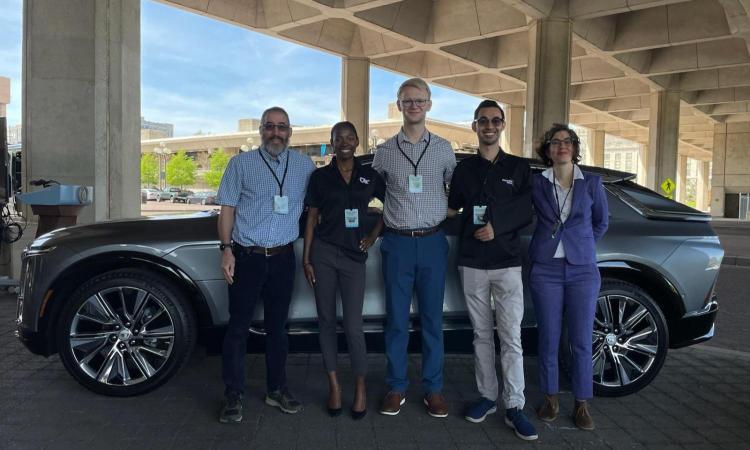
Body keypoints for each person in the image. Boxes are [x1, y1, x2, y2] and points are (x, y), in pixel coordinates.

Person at [216, 106, 316, 424]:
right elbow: (227, 209)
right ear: (261, 130)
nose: (276, 132)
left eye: (282, 127)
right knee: (237, 329)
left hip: (283, 258)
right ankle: (233, 394)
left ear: (290, 131)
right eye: (270, 126)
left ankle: (277, 389)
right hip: (248, 257)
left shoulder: (304, 166)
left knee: (277, 329)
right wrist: (226, 249)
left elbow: (316, 207)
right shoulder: (241, 164)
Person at [446, 100, 537, 440]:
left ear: (502, 125)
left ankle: (515, 405)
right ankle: (487, 396)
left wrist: (497, 226)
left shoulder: (519, 168)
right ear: (474, 126)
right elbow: (453, 208)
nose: (489, 126)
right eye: (483, 120)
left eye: (495, 121)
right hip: (471, 261)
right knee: (482, 335)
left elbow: (528, 209)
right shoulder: (464, 170)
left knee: (510, 336)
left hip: (507, 262)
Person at [373, 78, 457, 418]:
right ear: (398, 104)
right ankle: (396, 387)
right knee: (396, 320)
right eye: (407, 100)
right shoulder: (384, 152)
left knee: (432, 320)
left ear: (429, 104)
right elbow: (373, 192)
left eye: (420, 100)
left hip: (434, 242)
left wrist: (444, 211)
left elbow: (456, 190)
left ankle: (433, 389)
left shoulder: (444, 148)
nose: (414, 105)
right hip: (397, 243)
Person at [302, 121, 385, 420]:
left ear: (358, 141)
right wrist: (306, 259)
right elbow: (312, 217)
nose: (345, 142)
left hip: (354, 258)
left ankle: (360, 388)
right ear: (332, 142)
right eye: (339, 138)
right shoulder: (320, 177)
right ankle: (334, 386)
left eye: (350, 138)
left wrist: (373, 235)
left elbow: (393, 206)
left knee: (352, 325)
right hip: (323, 253)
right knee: (326, 321)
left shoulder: (370, 176)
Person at [528, 123, 609, 431]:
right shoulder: (538, 183)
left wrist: (581, 245)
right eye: (555, 142)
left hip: (582, 271)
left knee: (580, 340)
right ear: (547, 151)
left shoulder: (591, 183)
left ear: (574, 148)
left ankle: (581, 403)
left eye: (567, 141)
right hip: (545, 268)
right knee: (548, 337)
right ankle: (550, 398)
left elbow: (600, 223)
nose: (561, 146)